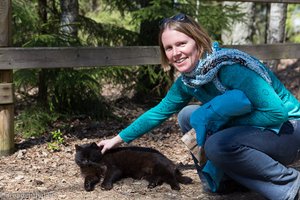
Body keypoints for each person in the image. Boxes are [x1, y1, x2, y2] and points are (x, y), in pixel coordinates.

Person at [98, 13, 300, 200]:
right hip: (259, 131)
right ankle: (225, 182)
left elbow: (277, 113)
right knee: (187, 115)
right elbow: (159, 112)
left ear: (198, 41)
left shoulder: (230, 68)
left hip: (288, 130)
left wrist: (224, 123)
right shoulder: (189, 80)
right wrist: (117, 139)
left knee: (217, 144)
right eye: (169, 48)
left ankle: (291, 185)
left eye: (181, 44)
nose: (176, 53)